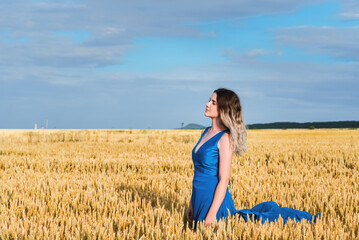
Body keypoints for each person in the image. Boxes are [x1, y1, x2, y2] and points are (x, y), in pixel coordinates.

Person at [186, 88, 321, 229]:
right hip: (199, 197)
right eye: (209, 100)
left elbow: (224, 179)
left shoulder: (224, 139)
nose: (207, 104)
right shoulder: (204, 132)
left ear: (224, 109)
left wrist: (212, 213)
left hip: (213, 200)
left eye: (213, 102)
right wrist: (192, 204)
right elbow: (198, 174)